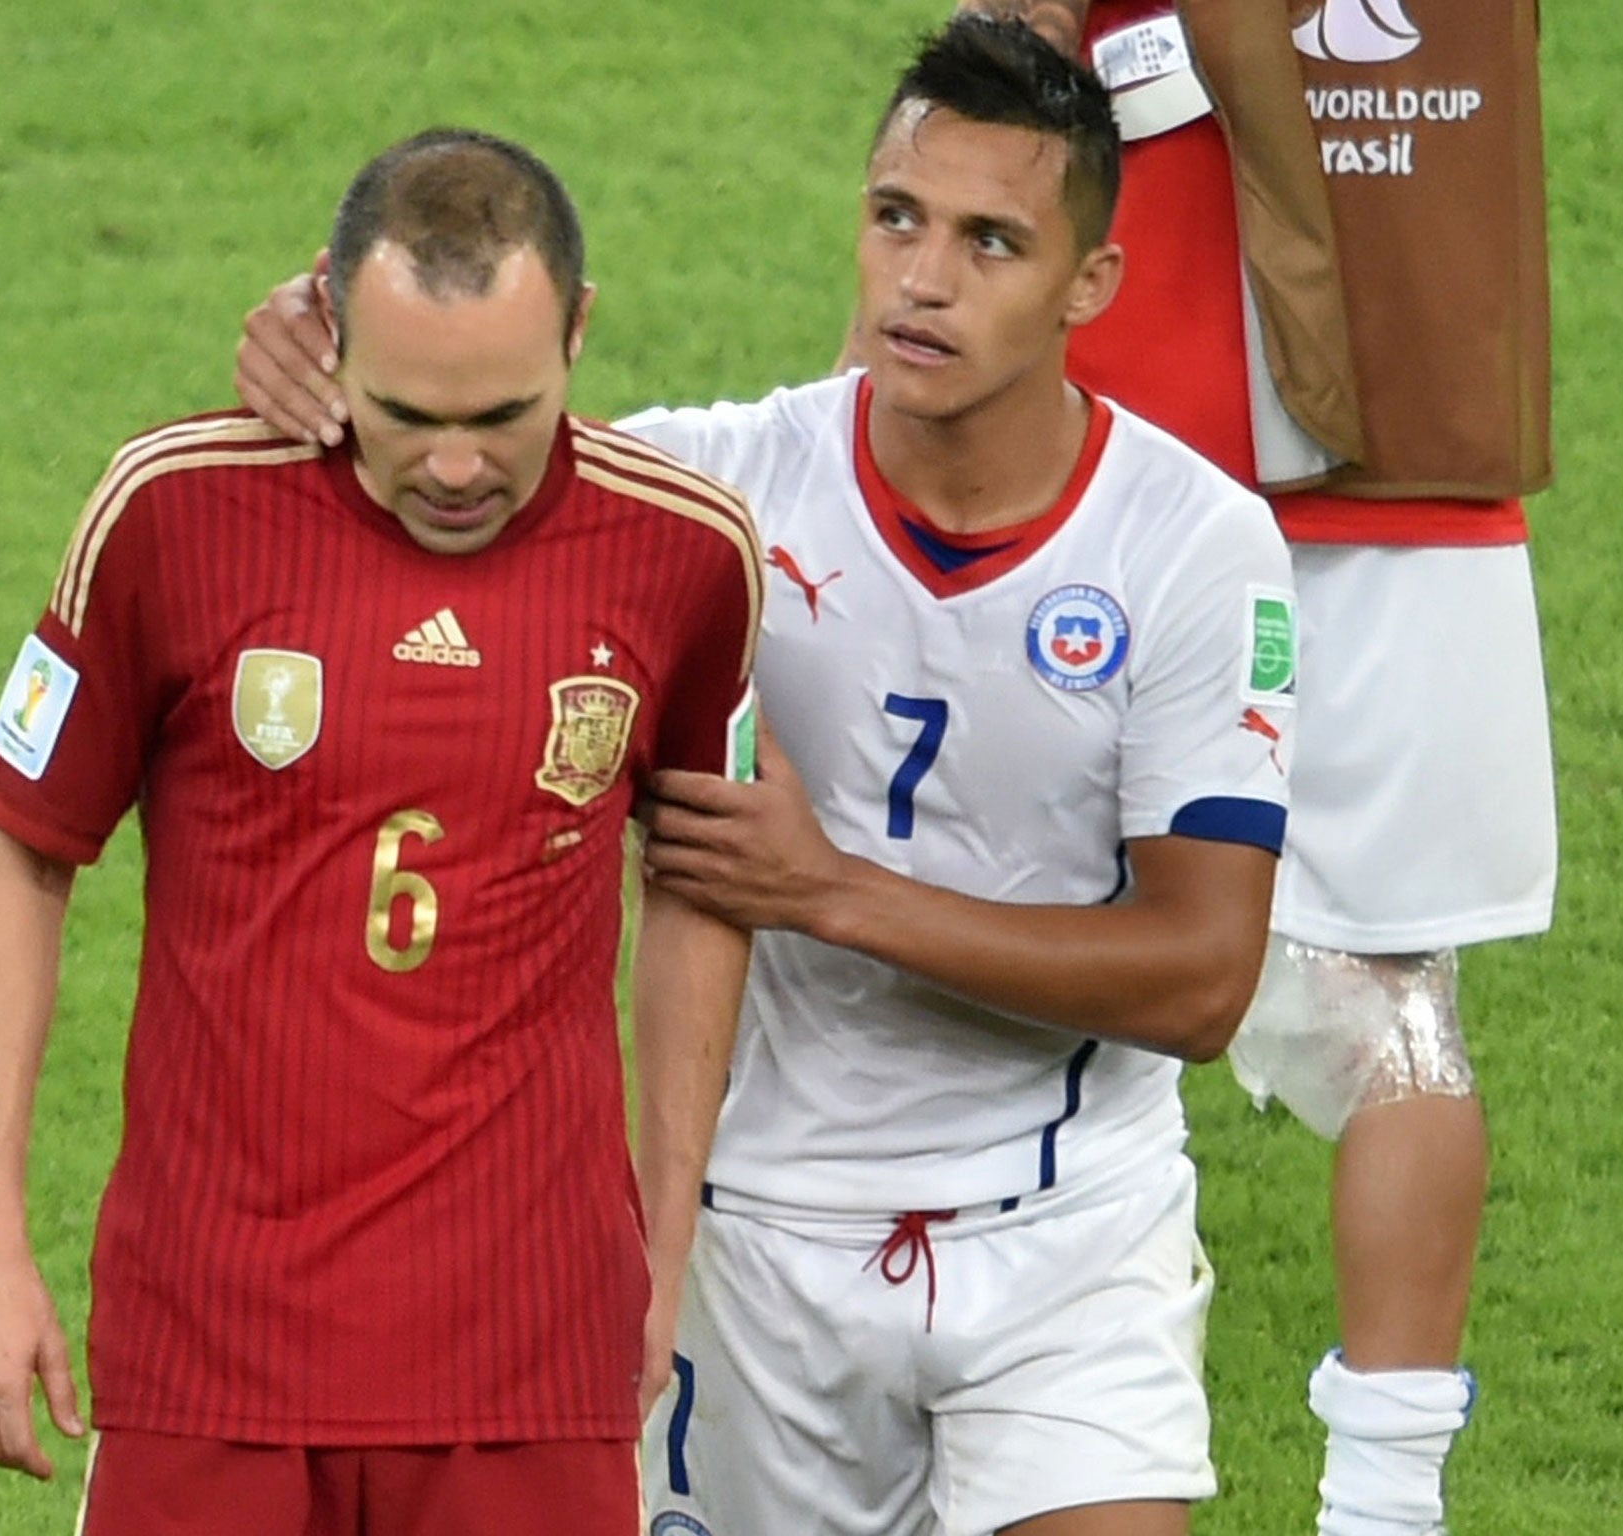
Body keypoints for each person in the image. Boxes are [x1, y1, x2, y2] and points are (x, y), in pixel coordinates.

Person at [237, 19, 1296, 1535]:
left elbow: (1204, 980)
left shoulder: (1193, 547)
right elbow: (444, 465)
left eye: (992, 242)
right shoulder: (717, 495)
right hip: (761, 1250)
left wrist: (834, 894)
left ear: (1090, 286)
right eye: (897, 219)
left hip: (1070, 1234)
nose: (924, 279)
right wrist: (317, 346)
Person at [0, 127, 763, 1536]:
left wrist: (661, 1250)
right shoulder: (172, 514)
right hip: (214, 1354)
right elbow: (24, 849)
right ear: (323, 322)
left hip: (530, 1355)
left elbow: (701, 888)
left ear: (580, 331)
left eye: (502, 415)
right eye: (402, 411)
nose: (451, 466)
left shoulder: (684, 555)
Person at [1047, 4, 1557, 1533]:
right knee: (1402, 1018)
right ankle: (1385, 1511)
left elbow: (991, 103)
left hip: (1131, 473)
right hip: (1424, 472)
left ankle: (1047, 1434)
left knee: (1037, 953)